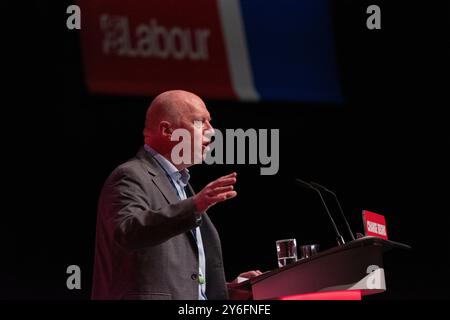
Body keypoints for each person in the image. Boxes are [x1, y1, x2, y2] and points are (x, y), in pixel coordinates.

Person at [91, 90, 261, 300]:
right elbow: (127, 232)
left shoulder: (179, 183)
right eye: (200, 122)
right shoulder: (130, 175)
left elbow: (178, 278)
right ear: (167, 130)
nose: (212, 131)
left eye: (210, 122)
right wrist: (195, 205)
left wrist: (227, 290)